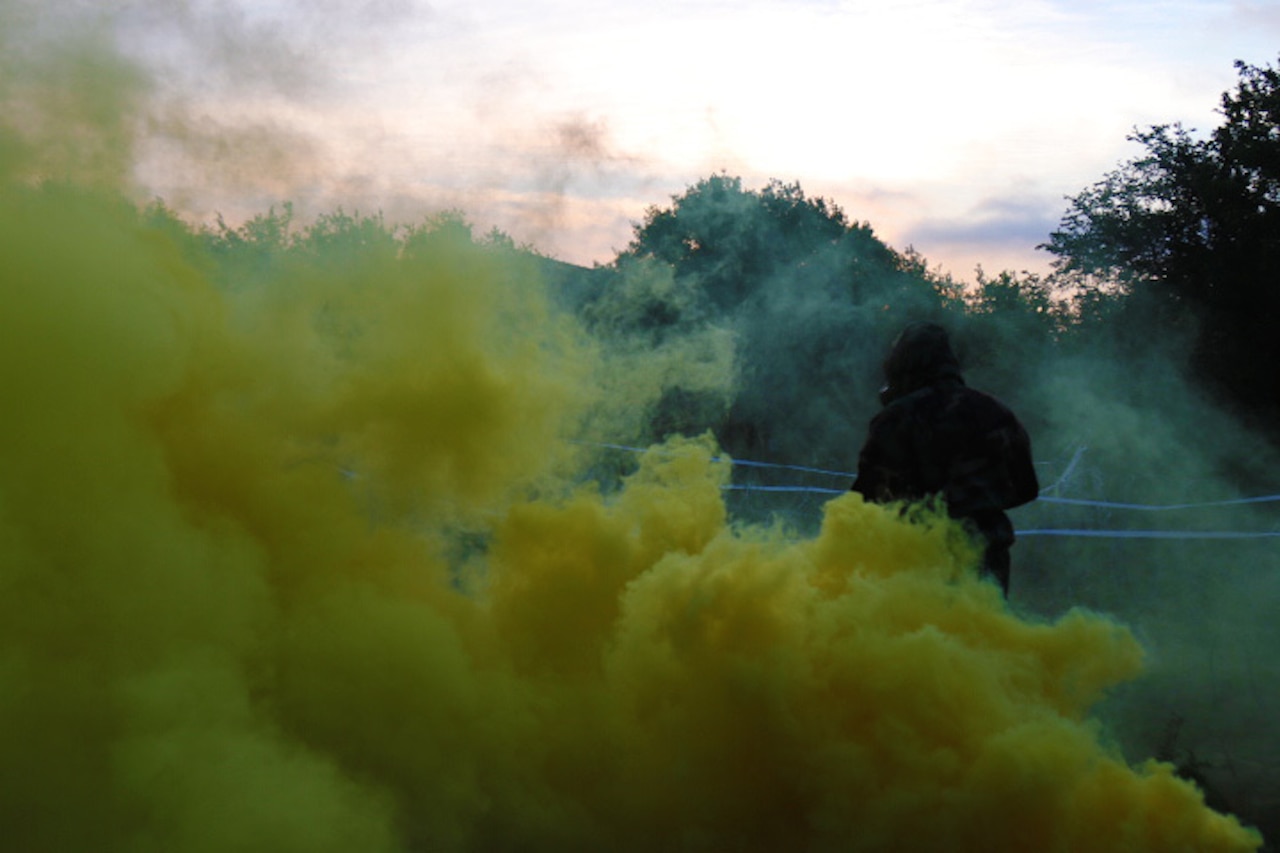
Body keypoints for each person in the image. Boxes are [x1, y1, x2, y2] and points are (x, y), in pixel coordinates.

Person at [851, 322, 1039, 595]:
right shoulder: (996, 412)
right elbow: (1026, 488)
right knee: (980, 636)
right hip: (985, 561)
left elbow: (866, 500)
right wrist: (976, 502)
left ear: (902, 363)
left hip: (916, 561)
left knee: (920, 636)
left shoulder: (898, 417)